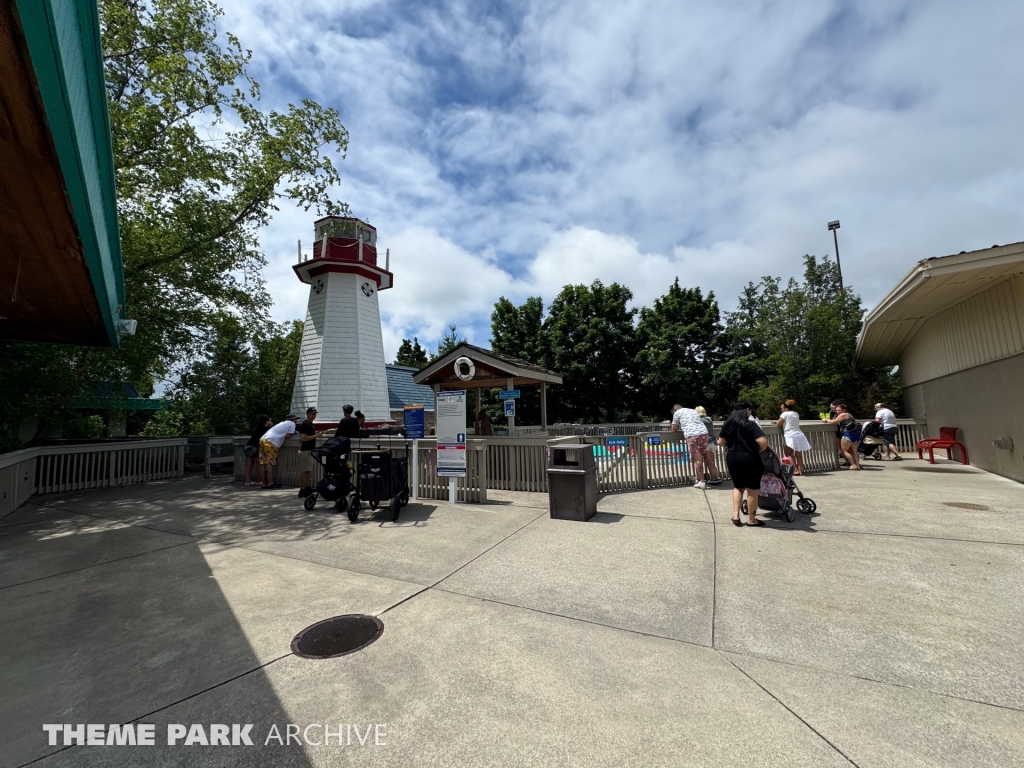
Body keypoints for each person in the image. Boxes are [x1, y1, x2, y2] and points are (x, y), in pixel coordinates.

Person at [718, 401, 769, 526]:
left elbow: (721, 442)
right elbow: (763, 442)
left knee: (738, 487)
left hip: (733, 458)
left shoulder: (727, 424)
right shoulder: (751, 424)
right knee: (752, 490)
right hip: (750, 458)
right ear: (747, 410)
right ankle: (752, 519)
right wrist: (758, 450)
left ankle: (736, 516)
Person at [671, 404, 710, 490]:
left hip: (692, 435)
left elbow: (674, 428)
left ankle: (702, 482)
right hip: (704, 434)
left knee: (697, 459)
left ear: (674, 410)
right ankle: (697, 479)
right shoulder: (693, 410)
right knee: (700, 457)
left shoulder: (677, 413)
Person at [259, 415, 299, 489]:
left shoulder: (281, 423)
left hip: (263, 440)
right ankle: (270, 483)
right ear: (293, 420)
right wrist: (294, 433)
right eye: (296, 420)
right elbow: (288, 436)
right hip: (271, 442)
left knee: (263, 463)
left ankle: (263, 483)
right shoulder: (292, 424)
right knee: (270, 463)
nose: (296, 421)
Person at [776, 400, 812, 476]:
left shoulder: (784, 414)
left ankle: (795, 470)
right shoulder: (796, 413)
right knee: (798, 454)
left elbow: (778, 424)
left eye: (782, 408)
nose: (781, 409)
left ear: (786, 408)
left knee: (788, 454)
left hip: (790, 435)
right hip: (798, 434)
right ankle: (800, 471)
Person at [823, 400, 861, 470]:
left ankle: (853, 465)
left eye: (839, 410)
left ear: (844, 409)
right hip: (854, 434)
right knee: (854, 451)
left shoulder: (843, 415)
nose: (837, 412)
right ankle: (857, 465)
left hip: (847, 434)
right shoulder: (848, 414)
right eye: (837, 410)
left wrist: (825, 420)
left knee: (844, 451)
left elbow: (834, 422)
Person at [297, 407, 324, 498]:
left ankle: (306, 487)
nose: (313, 415)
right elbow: (303, 438)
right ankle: (302, 490)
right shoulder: (305, 424)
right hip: (305, 450)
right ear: (307, 414)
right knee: (305, 470)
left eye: (315, 414)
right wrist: (316, 435)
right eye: (312, 414)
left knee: (308, 470)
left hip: (309, 450)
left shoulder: (310, 424)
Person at [694, 406, 722, 485]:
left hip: (706, 443)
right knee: (711, 462)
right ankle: (717, 476)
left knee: (708, 462)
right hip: (713, 442)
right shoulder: (709, 419)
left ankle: (714, 478)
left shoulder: (698, 420)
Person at [244, 414, 272, 486]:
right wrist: (271, 425)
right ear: (267, 421)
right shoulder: (265, 429)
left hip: (248, 447)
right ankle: (259, 480)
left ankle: (247, 481)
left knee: (248, 465)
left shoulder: (258, 427)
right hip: (254, 448)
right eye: (270, 420)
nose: (271, 421)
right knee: (260, 464)